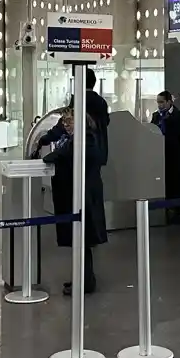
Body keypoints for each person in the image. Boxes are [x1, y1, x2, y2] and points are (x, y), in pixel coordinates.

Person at [42, 107, 107, 295]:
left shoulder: (85, 139)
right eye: (64, 123)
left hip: (84, 196)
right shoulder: (79, 138)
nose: (66, 126)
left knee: (82, 239)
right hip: (79, 194)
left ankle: (85, 282)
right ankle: (82, 279)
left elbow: (59, 155)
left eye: (69, 122)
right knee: (80, 241)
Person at [151, 91, 180, 222]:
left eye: (162, 102)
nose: (160, 105)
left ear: (169, 102)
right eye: (158, 102)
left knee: (175, 183)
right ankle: (165, 211)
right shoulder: (156, 116)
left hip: (174, 154)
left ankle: (178, 211)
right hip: (159, 155)